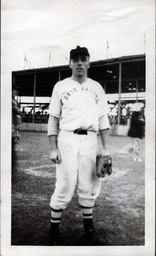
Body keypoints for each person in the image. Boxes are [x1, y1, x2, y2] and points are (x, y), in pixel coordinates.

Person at [47, 46, 111, 245]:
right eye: (76, 60)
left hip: (91, 140)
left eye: (83, 59)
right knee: (65, 183)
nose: (80, 63)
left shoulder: (96, 87)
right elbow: (53, 119)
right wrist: (53, 147)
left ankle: (88, 228)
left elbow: (103, 119)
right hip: (67, 139)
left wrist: (105, 147)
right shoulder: (60, 86)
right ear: (70, 64)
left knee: (90, 184)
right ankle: (53, 229)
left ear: (89, 63)